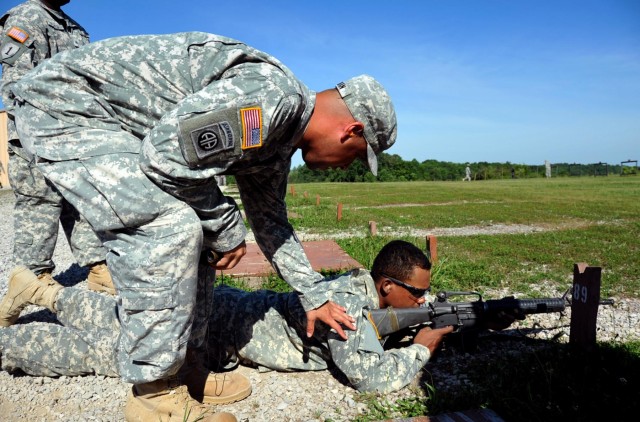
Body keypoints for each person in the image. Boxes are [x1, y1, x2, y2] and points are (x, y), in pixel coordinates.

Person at [8, 32, 397, 421]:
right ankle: (155, 397)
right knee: (168, 225)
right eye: (356, 158)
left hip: (116, 126)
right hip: (68, 107)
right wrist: (227, 224)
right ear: (352, 130)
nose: (346, 167)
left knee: (208, 233)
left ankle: (186, 363)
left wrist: (313, 294)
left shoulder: (279, 140)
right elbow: (164, 156)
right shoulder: (272, 99)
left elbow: (271, 222)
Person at [0, 240, 453, 397]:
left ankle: (42, 290)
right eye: (417, 291)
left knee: (122, 315)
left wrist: (463, 317)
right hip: (218, 333)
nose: (424, 296)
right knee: (114, 350)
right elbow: (369, 377)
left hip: (225, 309)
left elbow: (399, 323)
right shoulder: (346, 307)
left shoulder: (364, 292)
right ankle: (9, 346)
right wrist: (424, 343)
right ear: (388, 287)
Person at [0, 0, 114, 294]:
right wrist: (43, 131)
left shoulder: (75, 28)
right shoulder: (26, 17)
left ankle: (97, 266)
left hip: (73, 135)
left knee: (81, 200)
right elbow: (16, 86)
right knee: (40, 201)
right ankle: (31, 280)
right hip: (35, 132)